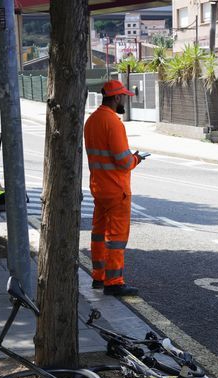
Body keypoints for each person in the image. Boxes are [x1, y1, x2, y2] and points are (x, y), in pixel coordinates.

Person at [83, 80, 146, 297]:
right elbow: (123, 161)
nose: (125, 101)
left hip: (98, 188)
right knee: (117, 237)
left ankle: (98, 277)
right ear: (116, 97)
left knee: (99, 234)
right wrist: (136, 158)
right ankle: (114, 281)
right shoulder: (114, 122)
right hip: (116, 190)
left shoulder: (91, 121)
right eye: (124, 97)